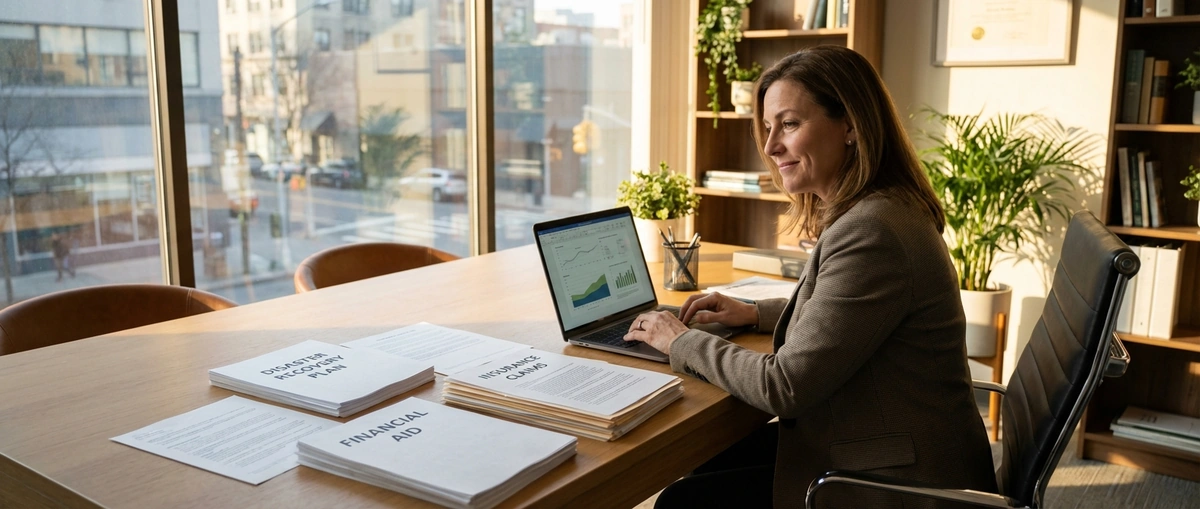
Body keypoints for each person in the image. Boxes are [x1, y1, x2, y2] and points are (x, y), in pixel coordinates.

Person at [625, 46, 997, 508]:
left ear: (851, 126)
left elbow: (784, 387)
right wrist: (756, 312)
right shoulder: (882, 207)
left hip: (900, 477)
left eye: (789, 124)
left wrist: (679, 340)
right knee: (707, 460)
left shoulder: (872, 230)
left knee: (683, 502)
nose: (769, 146)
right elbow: (852, 312)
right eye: (767, 127)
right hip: (882, 440)